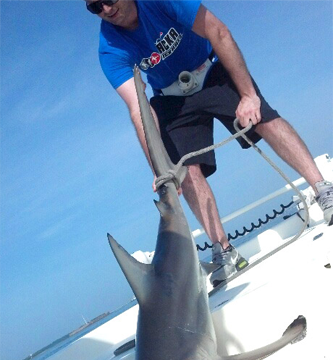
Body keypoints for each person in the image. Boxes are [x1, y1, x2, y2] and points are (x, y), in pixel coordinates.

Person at [85, 0, 333, 286]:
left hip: (211, 70)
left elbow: (218, 31)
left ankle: (323, 189)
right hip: (170, 98)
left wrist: (249, 95)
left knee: (263, 118)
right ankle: (224, 251)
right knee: (183, 171)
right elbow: (138, 109)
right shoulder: (109, 47)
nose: (105, 9)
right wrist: (159, 169)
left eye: (108, 0)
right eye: (94, 7)